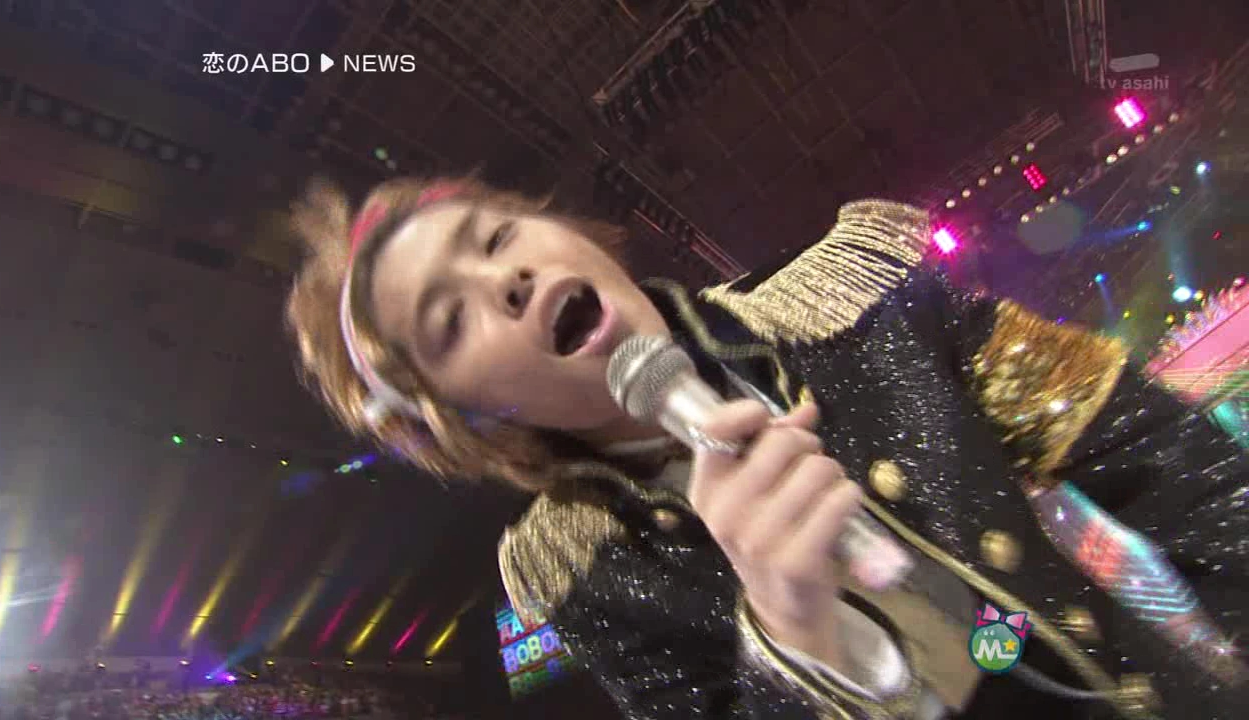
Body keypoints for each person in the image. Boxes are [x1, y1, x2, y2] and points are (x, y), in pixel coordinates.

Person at [286, 175, 1247, 719]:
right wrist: (794, 642)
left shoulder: (857, 310)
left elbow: (1157, 456)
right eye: (451, 320)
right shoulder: (582, 579)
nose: (506, 279)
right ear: (470, 416)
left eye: (496, 237)